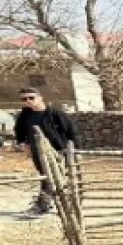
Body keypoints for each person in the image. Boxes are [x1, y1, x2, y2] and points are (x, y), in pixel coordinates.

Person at [13, 86, 79, 214]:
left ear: (40, 98)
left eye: (31, 98)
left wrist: (75, 151)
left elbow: (72, 131)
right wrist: (24, 144)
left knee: (52, 177)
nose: (28, 101)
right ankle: (50, 204)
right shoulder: (25, 115)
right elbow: (19, 130)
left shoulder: (55, 114)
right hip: (37, 152)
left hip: (58, 151)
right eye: (24, 99)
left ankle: (43, 205)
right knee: (47, 177)